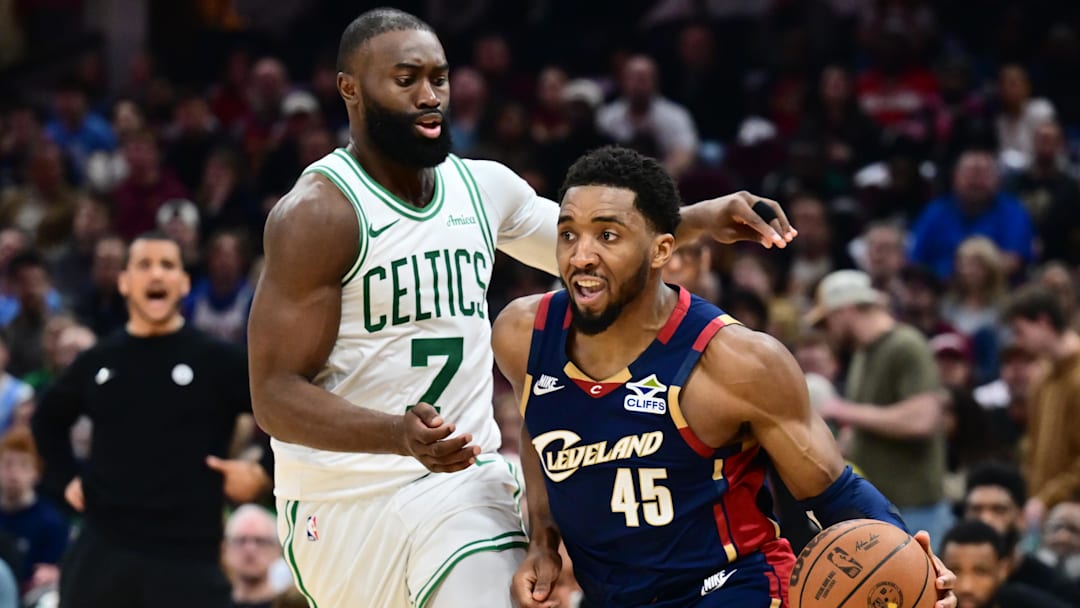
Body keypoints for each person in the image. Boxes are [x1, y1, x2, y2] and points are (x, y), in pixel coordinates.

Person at [247, 9, 799, 608]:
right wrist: (395, 434)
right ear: (349, 88)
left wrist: (705, 217)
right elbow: (273, 394)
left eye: (439, 78)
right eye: (406, 80)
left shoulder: (483, 189)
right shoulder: (319, 214)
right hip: (339, 501)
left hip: (461, 485)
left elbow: (594, 247)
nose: (431, 96)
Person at [491, 146, 955, 607]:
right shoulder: (522, 336)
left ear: (662, 251)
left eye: (608, 236)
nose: (581, 256)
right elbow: (542, 426)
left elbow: (835, 493)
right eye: (568, 234)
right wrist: (543, 541)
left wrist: (912, 564)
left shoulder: (737, 360)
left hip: (732, 589)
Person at [32, 232, 270, 608]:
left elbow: (288, 411)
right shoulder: (100, 360)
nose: (156, 274)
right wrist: (65, 478)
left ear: (184, 283)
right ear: (124, 282)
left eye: (167, 265)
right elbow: (46, 419)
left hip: (187, 554)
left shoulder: (216, 360)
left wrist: (262, 472)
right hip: (103, 549)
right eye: (144, 265)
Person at [812, 269, 953, 545]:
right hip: (880, 511)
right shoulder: (863, 354)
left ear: (845, 310)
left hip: (917, 508)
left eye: (828, 319)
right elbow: (862, 428)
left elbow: (922, 419)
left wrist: (840, 409)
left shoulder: (906, 345)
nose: (828, 329)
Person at [1001, 287, 1080, 531]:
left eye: (1020, 331)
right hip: (1041, 511)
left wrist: (1047, 498)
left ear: (1044, 322)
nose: (1018, 342)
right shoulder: (1041, 380)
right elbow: (1033, 447)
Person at [941, 519, 1070, 608]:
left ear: (1002, 570)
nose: (966, 587)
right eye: (955, 571)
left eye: (980, 572)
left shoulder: (1022, 601)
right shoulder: (930, 602)